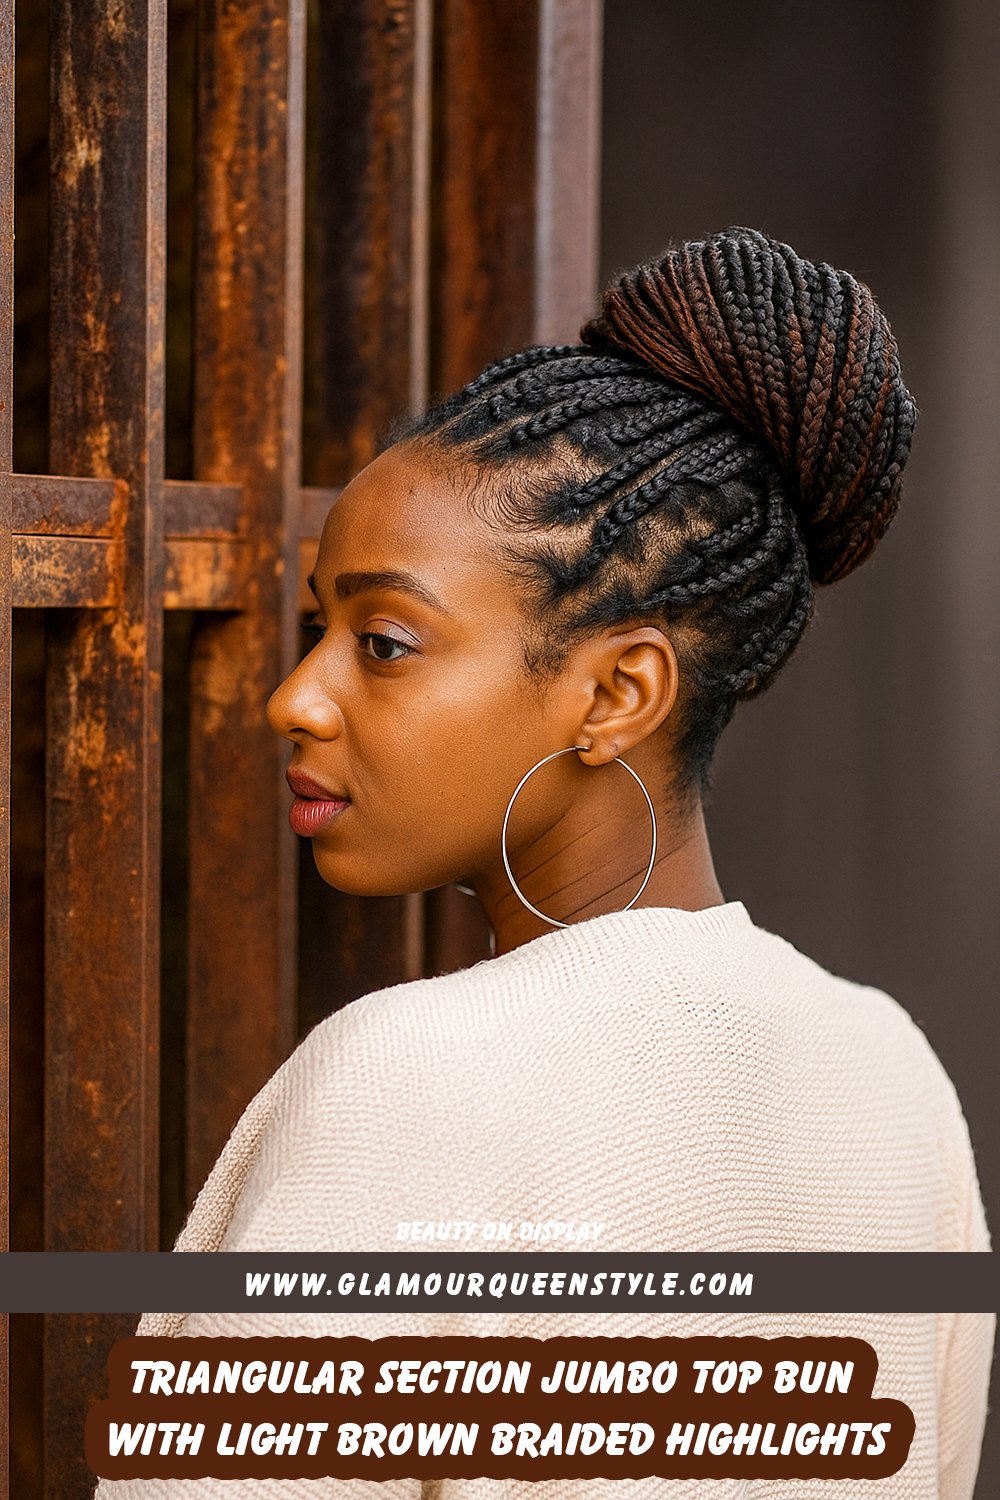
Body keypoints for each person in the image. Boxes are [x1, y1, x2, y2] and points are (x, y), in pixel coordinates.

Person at [93, 228, 994, 1498]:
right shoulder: (895, 1079)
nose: (296, 697)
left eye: (386, 642)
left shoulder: (408, 1081)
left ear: (618, 691)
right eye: (318, 629)